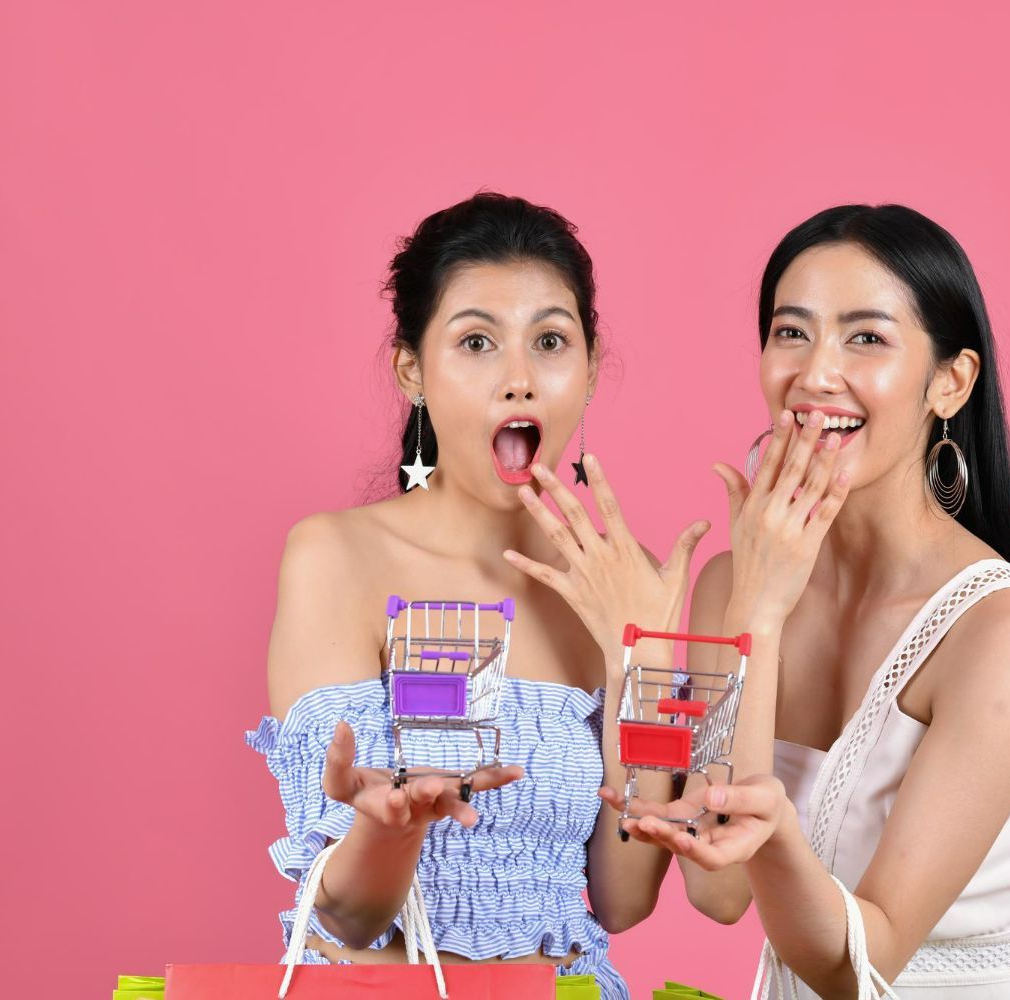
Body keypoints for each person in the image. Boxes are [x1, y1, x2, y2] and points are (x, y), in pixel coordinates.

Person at [573, 204, 1010, 998]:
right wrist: (680, 639)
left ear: (951, 381)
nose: (814, 374)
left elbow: (860, 970)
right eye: (790, 332)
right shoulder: (733, 585)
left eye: (866, 338)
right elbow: (716, 891)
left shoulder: (1002, 635)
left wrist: (760, 616)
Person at [246, 192, 706, 1000]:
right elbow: (350, 916)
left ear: (591, 369)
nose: (519, 380)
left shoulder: (620, 574)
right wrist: (394, 827)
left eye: (551, 341)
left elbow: (624, 898)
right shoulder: (337, 557)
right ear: (412, 370)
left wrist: (644, 649)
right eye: (477, 343)